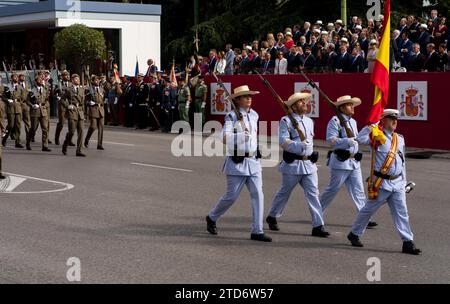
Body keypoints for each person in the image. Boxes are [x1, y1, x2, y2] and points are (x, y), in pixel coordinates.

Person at [348, 109, 422, 255]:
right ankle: (354, 233)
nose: (395, 121)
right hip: (381, 184)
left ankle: (407, 242)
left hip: (398, 183)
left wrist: (404, 180)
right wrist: (372, 125)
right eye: (391, 118)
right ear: (383, 120)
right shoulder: (376, 136)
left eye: (396, 119)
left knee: (402, 213)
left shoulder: (399, 138)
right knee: (368, 210)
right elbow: (359, 139)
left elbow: (402, 162)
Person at [206, 85, 271, 242]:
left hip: (253, 161)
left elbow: (254, 137)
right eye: (245, 96)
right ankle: (212, 217)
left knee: (258, 195)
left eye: (250, 96)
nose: (249, 98)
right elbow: (224, 138)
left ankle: (257, 230)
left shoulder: (255, 115)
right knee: (231, 196)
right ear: (237, 100)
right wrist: (241, 136)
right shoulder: (231, 117)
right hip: (237, 162)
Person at [265, 93, 329, 237]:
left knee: (313, 194)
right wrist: (299, 146)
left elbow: (310, 142)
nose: (304, 103)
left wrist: (311, 152)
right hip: (293, 165)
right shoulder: (286, 121)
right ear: (293, 106)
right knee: (284, 193)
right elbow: (283, 141)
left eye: (304, 101)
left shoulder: (309, 121)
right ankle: (273, 215)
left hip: (309, 165)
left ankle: (318, 226)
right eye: (300, 102)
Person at [319, 96, 377, 227]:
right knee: (332, 190)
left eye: (352, 105)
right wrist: (346, 141)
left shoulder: (353, 122)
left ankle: (364, 218)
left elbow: (356, 139)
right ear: (341, 108)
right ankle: (317, 212)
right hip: (340, 161)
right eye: (349, 105)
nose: (352, 107)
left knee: (359, 191)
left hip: (354, 161)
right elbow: (331, 140)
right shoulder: (335, 120)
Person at [61, 74, 86, 157]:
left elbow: (83, 102)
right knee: (71, 131)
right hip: (72, 112)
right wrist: (67, 105)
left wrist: (84, 113)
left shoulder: (82, 89)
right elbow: (62, 100)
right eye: (76, 79)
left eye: (78, 79)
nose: (78, 80)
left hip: (80, 112)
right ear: (72, 80)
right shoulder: (68, 89)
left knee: (81, 132)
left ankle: (79, 151)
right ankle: (65, 144)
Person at [26, 76, 51, 152]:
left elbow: (46, 99)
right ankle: (28, 142)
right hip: (35, 111)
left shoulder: (44, 89)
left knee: (45, 128)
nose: (41, 81)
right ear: (36, 81)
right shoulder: (32, 90)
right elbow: (27, 101)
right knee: (33, 128)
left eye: (42, 80)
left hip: (43, 111)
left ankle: (45, 146)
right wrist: (32, 105)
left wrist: (45, 106)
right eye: (39, 80)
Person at [84, 75, 105, 150]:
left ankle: (99, 144)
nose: (98, 81)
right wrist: (90, 103)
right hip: (93, 109)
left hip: (101, 109)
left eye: (98, 80)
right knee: (93, 126)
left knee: (101, 127)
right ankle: (86, 139)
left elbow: (103, 97)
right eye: (96, 80)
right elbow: (85, 101)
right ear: (92, 81)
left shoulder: (101, 89)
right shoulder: (89, 89)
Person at [54, 70, 74, 146]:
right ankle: (57, 137)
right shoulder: (58, 84)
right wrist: (57, 97)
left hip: (70, 105)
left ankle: (69, 139)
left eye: (68, 75)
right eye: (66, 75)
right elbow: (54, 93)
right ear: (62, 77)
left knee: (71, 123)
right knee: (61, 123)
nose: (67, 76)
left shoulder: (71, 84)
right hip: (62, 105)